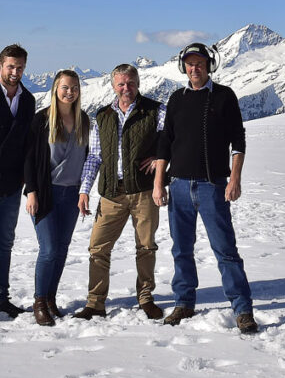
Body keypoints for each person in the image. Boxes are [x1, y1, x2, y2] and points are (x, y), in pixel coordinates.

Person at [153, 42, 257, 334]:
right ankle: (184, 302)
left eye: (199, 63)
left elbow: (238, 140)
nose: (194, 68)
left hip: (213, 187)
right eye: (189, 63)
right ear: (183, 66)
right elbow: (165, 143)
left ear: (209, 65)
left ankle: (242, 309)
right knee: (181, 249)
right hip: (179, 187)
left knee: (225, 250)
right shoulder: (176, 99)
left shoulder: (224, 96)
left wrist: (235, 179)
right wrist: (159, 181)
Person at [74, 64, 165, 320]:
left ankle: (146, 298)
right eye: (121, 84)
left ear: (138, 83)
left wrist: (160, 156)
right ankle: (95, 303)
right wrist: (84, 190)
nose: (126, 88)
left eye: (131, 83)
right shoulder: (102, 116)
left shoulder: (155, 110)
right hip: (111, 192)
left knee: (146, 247)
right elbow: (94, 156)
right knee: (98, 248)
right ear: (113, 86)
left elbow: (171, 138)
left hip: (144, 191)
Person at [24, 70, 90, 326]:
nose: (69, 92)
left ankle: (50, 298)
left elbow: (89, 157)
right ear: (55, 89)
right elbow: (29, 158)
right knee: (49, 249)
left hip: (72, 193)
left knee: (61, 250)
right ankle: (39, 301)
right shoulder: (42, 119)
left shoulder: (83, 119)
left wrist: (84, 191)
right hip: (46, 192)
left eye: (74, 87)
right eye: (64, 87)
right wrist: (32, 191)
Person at [0, 44, 35, 319]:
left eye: (20, 67)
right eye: (10, 66)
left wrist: (24, 178)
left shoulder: (28, 100)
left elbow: (27, 143)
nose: (15, 72)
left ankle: (2, 297)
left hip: (11, 185)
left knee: (5, 241)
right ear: (1, 65)